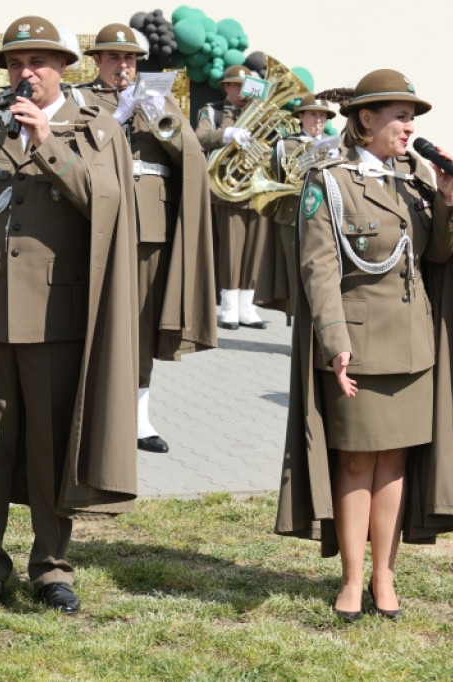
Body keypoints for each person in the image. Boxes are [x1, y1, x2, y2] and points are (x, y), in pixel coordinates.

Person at [0, 15, 139, 615]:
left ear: (63, 68)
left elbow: (106, 206)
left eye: (39, 62)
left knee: (52, 448)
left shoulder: (95, 129)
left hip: (57, 314)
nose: (27, 73)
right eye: (17, 64)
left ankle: (51, 566)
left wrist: (48, 144)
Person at [274, 70, 453, 621]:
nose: (409, 125)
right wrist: (334, 343)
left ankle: (384, 576)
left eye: (412, 116)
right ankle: (349, 578)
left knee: (393, 464)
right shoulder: (330, 182)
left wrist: (446, 198)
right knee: (355, 463)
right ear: (365, 120)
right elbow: (319, 270)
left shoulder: (414, 178)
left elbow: (437, 257)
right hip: (360, 346)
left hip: (413, 348)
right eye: (399, 114)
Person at [77, 22, 215, 453]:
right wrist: (116, 116)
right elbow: (77, 154)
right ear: (97, 60)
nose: (124, 66)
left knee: (138, 322)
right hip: (98, 220)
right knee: (92, 318)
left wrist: (160, 119)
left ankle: (138, 418)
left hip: (148, 226)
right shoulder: (79, 100)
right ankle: (90, 410)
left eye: (131, 58)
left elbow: (190, 157)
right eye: (115, 57)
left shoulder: (158, 99)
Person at [196, 65, 269, 330]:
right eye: (236, 86)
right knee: (231, 251)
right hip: (228, 191)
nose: (241, 91)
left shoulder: (259, 112)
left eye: (245, 86)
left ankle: (247, 307)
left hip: (257, 189)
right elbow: (199, 137)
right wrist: (225, 134)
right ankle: (228, 307)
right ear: (225, 86)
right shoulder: (213, 110)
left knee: (254, 251)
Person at [267, 95, 338, 321]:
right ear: (301, 117)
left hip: (327, 216)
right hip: (294, 216)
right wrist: (311, 158)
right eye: (313, 114)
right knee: (297, 275)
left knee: (324, 274)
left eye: (323, 116)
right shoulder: (286, 144)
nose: (319, 120)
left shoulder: (335, 145)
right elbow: (280, 175)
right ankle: (300, 328)